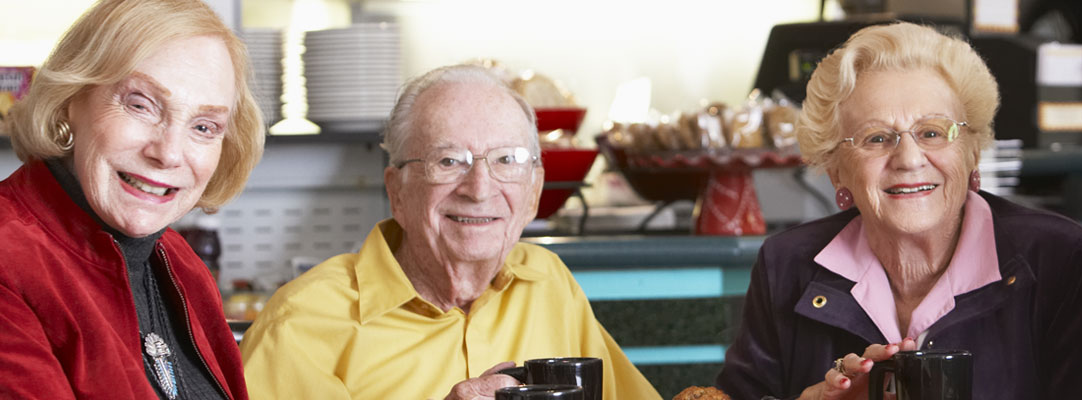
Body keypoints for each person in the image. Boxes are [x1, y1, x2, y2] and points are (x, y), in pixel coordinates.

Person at [716, 22, 1082, 399]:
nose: (909, 159)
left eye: (932, 132)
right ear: (836, 169)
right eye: (876, 138)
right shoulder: (786, 265)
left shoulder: (1057, 257)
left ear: (972, 150)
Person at [238, 64, 659, 400]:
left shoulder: (548, 283)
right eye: (448, 161)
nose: (479, 189)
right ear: (396, 191)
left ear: (533, 193)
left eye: (507, 160)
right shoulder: (301, 323)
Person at [0, 0, 263, 398]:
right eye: (141, 105)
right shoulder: (8, 260)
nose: (169, 153)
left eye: (204, 126)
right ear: (71, 98)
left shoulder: (178, 262)